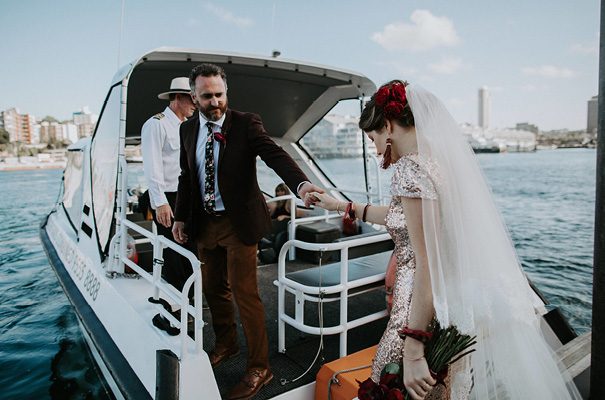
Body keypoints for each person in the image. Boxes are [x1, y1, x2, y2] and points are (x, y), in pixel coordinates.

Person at [309, 81, 580, 399]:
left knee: (392, 383)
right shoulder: (438, 161)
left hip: (415, 307)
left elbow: (427, 263)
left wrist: (413, 346)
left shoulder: (409, 169)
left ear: (388, 126)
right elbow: (400, 217)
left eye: (373, 139)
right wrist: (338, 205)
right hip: (448, 303)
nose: (376, 149)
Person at [172, 63, 323, 400]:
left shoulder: (246, 123)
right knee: (213, 290)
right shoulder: (187, 130)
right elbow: (186, 177)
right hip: (205, 223)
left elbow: (274, 154)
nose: (215, 102)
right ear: (194, 97)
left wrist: (300, 185)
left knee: (245, 294)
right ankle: (227, 345)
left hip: (239, 223)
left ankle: (260, 367)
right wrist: (180, 218)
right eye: (207, 96)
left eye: (219, 94)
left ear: (226, 92)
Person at [141, 77, 196, 291]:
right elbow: (152, 166)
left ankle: (193, 294)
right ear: (177, 97)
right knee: (173, 249)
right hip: (168, 197)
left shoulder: (189, 126)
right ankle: (179, 298)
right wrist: (160, 202)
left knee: (192, 246)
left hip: (188, 196)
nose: (195, 103)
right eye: (191, 98)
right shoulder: (156, 124)